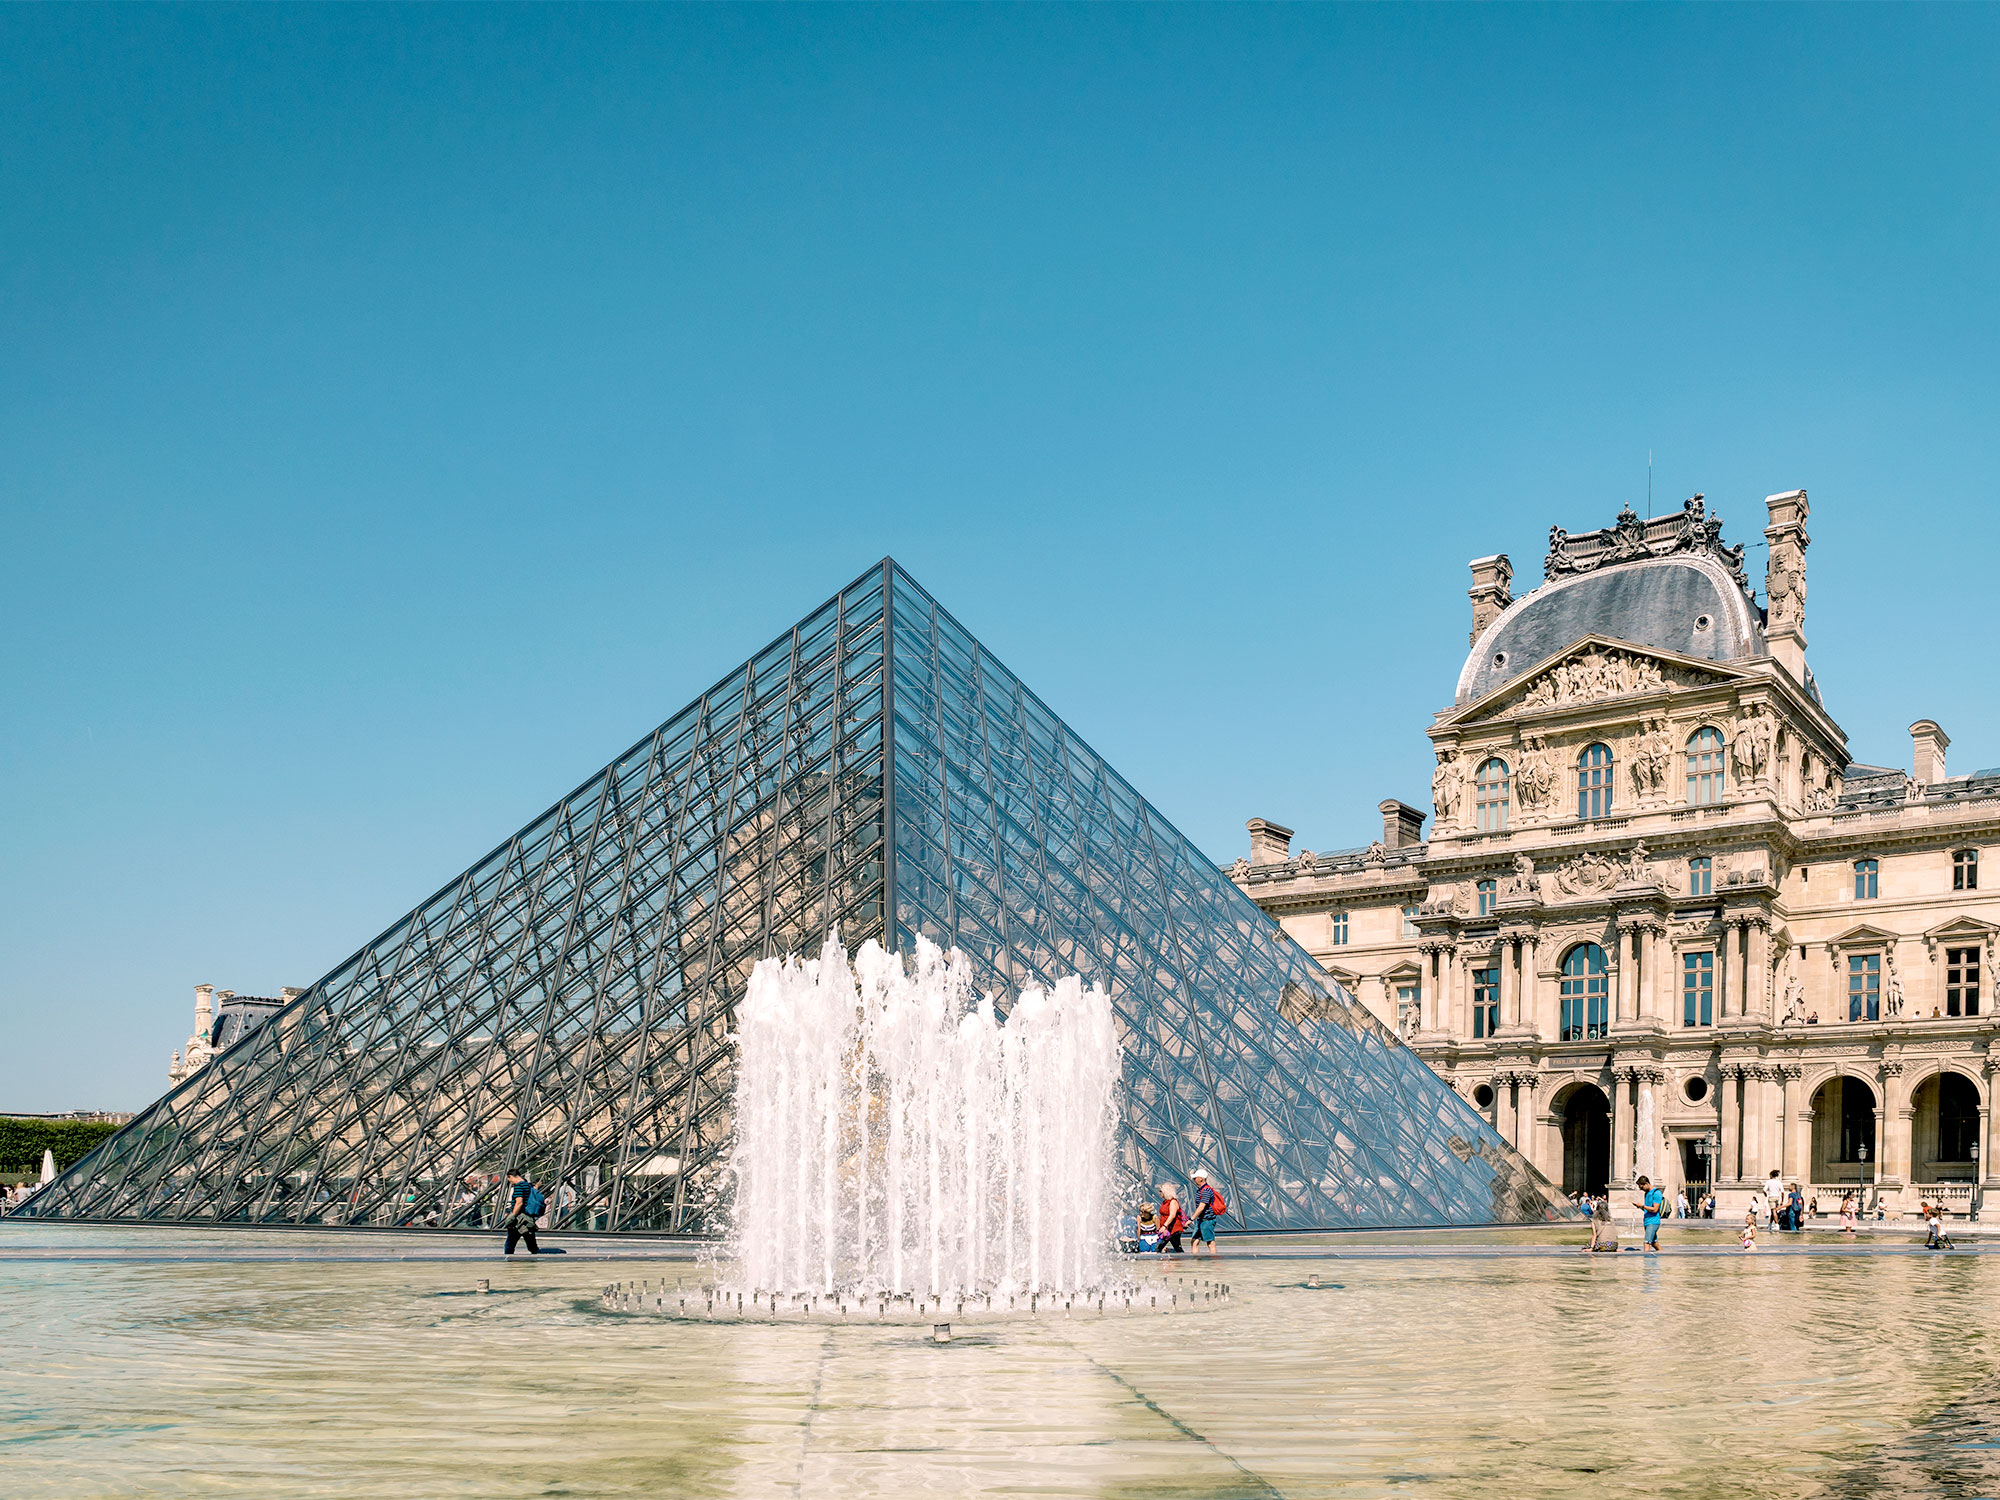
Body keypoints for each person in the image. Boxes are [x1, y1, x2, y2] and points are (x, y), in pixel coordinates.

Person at [502, 1169, 542, 1256]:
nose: (510, 1182)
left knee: (509, 1244)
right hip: (528, 1219)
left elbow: (519, 1202)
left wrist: (512, 1216)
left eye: (509, 1180)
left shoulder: (518, 1186)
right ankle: (537, 1263)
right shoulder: (528, 1185)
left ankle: (509, 1265)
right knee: (532, 1246)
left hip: (519, 1219)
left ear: (511, 1176)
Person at [1189, 1170, 1224, 1255]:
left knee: (1210, 1243)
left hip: (1207, 1220)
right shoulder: (1200, 1190)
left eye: (1195, 1178)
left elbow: (1201, 1207)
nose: (1194, 1179)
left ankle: (1213, 1262)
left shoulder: (1206, 1191)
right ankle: (1197, 1262)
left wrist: (1191, 1219)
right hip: (1201, 1220)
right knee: (1194, 1242)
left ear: (1201, 1179)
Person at [1631, 1175, 1665, 1252]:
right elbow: (1648, 1209)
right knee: (1654, 1243)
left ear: (1646, 1183)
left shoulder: (1657, 1193)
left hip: (1653, 1222)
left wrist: (1643, 1206)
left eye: (1641, 1187)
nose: (1641, 1189)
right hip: (1647, 1221)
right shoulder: (1646, 1193)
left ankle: (1646, 1262)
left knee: (1647, 1242)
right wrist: (1640, 1207)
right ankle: (1662, 1255)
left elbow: (1655, 1209)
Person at [1157, 1184, 1187, 1254]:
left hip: (1173, 1229)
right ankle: (1183, 1260)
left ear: (1166, 1191)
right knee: (1177, 1248)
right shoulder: (1165, 1202)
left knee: (1159, 1247)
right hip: (1167, 1229)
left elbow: (1172, 1215)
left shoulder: (1173, 1202)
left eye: (1161, 1191)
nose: (1160, 1193)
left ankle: (1184, 1261)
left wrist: (1164, 1226)